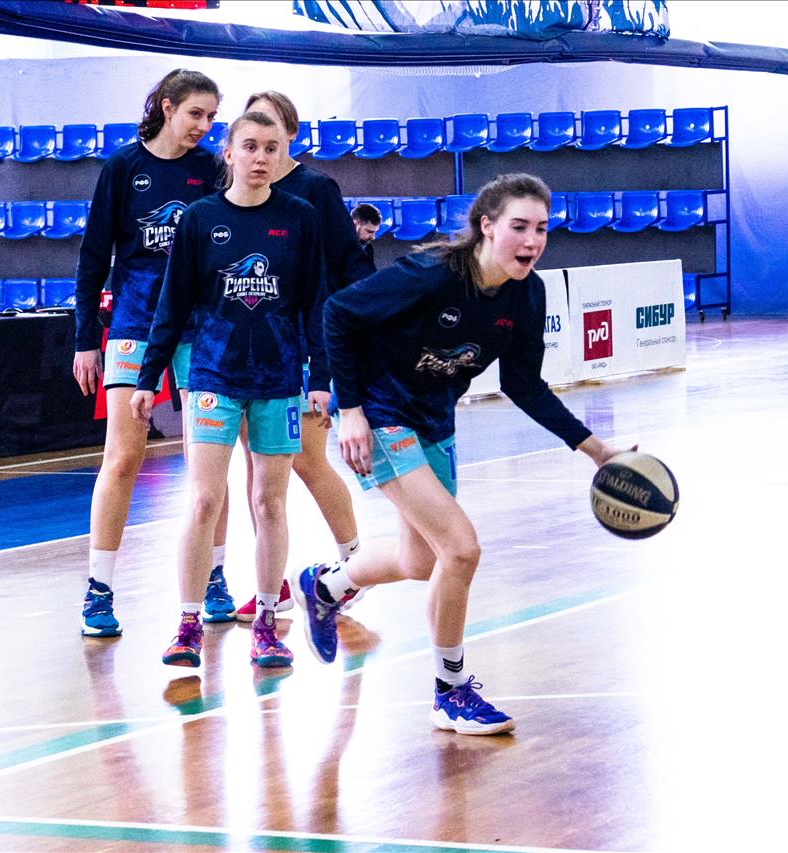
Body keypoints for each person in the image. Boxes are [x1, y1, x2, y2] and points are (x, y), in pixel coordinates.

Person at [296, 173, 627, 735]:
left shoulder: (527, 294)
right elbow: (339, 313)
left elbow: (524, 385)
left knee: (422, 562)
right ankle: (450, 692)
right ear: (487, 226)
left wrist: (595, 450)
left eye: (541, 228)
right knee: (461, 549)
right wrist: (349, 409)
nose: (532, 240)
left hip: (433, 418)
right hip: (382, 413)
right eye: (519, 226)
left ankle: (324, 586)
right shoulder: (431, 274)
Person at [130, 111, 328, 669]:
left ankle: (266, 623)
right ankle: (187, 624)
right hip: (212, 377)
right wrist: (148, 376)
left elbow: (316, 302)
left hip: (279, 380)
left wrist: (321, 379)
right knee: (203, 499)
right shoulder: (200, 218)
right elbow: (172, 304)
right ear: (230, 152)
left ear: (283, 153)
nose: (260, 157)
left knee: (269, 502)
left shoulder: (301, 217)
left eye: (271, 147)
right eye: (250, 146)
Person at [72, 69, 223, 638]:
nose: (204, 126)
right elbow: (93, 258)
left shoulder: (211, 170)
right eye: (196, 114)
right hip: (134, 325)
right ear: (167, 107)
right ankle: (98, 589)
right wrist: (86, 339)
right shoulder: (122, 167)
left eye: (212, 117)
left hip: (199, 329)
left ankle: (214, 577)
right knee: (122, 457)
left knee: (207, 463)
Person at [227, 91, 378, 622]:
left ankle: (355, 569)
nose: (261, 142)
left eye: (271, 127)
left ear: (289, 133)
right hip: (251, 350)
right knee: (258, 471)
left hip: (306, 348)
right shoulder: (239, 192)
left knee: (309, 460)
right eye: (251, 129)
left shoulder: (315, 189)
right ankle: (274, 585)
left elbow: (350, 265)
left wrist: (352, 331)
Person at [351, 202, 382, 268]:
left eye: (375, 232)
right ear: (355, 224)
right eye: (369, 231)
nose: (373, 237)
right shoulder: (334, 247)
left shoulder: (368, 248)